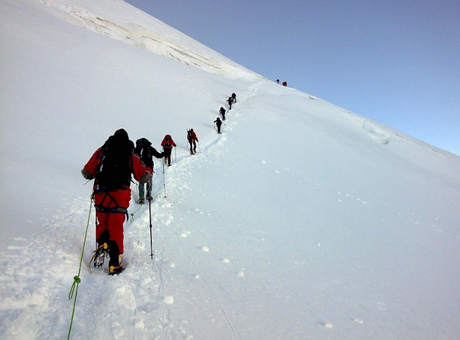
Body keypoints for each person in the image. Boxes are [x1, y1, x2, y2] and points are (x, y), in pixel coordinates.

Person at [81, 129, 152, 275]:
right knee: (115, 224)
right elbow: (142, 176)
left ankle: (101, 247)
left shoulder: (103, 150)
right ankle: (114, 262)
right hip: (119, 194)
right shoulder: (129, 152)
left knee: (103, 223)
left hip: (101, 193)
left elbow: (87, 172)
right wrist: (149, 171)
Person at [134, 138, 164, 203]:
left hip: (140, 167)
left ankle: (141, 197)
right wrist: (163, 154)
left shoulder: (136, 149)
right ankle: (148, 194)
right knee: (149, 180)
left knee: (141, 181)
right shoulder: (150, 148)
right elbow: (158, 155)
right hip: (149, 167)